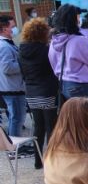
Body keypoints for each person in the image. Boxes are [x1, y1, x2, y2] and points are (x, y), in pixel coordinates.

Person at [49, 5, 88, 151]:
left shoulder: (54, 42)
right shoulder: (78, 41)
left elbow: (54, 67)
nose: (80, 20)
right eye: (77, 17)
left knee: (80, 126)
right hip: (85, 85)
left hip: (66, 85)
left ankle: (85, 158)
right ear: (73, 20)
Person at [18, 18, 59, 168]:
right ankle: (52, 161)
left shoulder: (21, 50)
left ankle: (37, 161)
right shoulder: (46, 49)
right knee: (51, 126)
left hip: (31, 92)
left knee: (38, 127)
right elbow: (53, 69)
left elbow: (23, 72)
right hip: (47, 90)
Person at [0, 16, 26, 138]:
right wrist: (24, 64)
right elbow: (8, 68)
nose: (15, 29)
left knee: (15, 117)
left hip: (11, 87)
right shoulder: (4, 46)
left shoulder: (6, 44)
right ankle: (15, 148)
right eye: (13, 27)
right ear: (5, 29)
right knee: (17, 118)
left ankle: (15, 146)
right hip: (12, 88)